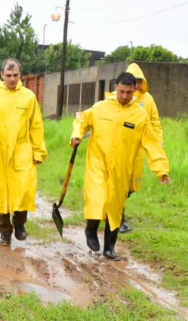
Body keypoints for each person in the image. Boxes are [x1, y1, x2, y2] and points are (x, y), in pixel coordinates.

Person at [70, 71, 171, 260]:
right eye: (122, 91)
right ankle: (91, 231)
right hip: (98, 163)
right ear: (115, 87)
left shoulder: (140, 116)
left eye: (129, 93)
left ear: (135, 91)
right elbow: (82, 120)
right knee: (97, 197)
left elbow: (152, 143)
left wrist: (161, 170)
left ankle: (109, 247)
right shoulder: (100, 108)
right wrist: (77, 134)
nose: (124, 96)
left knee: (115, 207)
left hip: (122, 168)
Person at [0, 58, 47, 246]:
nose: (12, 79)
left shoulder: (29, 97)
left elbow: (36, 126)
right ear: (1, 75)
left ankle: (20, 223)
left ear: (20, 75)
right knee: (1, 194)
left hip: (22, 151)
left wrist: (38, 151)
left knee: (23, 189)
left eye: (15, 75)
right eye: (8, 75)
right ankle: (5, 231)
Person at [116, 62, 164, 233]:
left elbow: (154, 123)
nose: (134, 85)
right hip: (119, 148)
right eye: (132, 80)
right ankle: (118, 219)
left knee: (131, 187)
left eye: (137, 81)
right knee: (118, 185)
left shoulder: (148, 99)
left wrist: (158, 143)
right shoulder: (118, 98)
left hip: (137, 151)